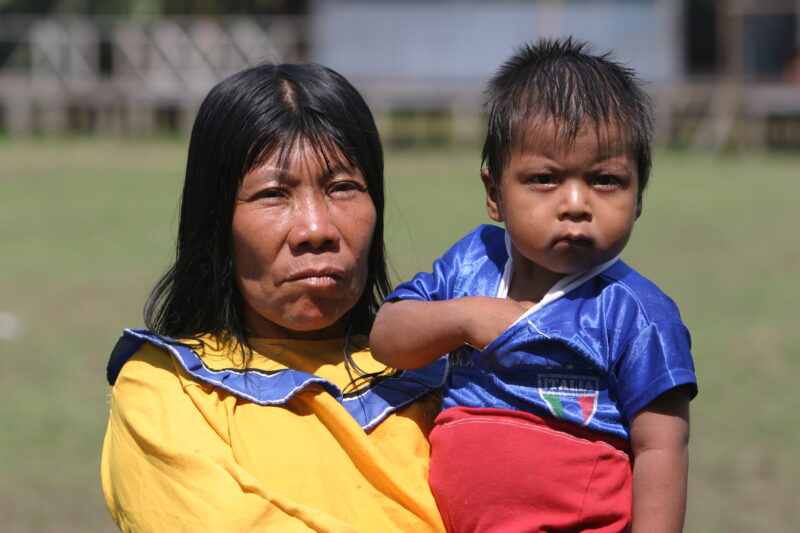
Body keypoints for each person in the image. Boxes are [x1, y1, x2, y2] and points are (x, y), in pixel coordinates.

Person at [101, 62, 447, 532]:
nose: (316, 229)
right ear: (216, 221)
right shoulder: (167, 388)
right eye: (272, 194)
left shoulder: (446, 374)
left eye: (343, 187)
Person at [370, 38, 698, 533]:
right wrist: (462, 316)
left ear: (640, 196)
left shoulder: (635, 313)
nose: (575, 203)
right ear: (494, 194)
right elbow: (388, 340)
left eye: (606, 180)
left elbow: (660, 448)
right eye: (544, 178)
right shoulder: (471, 265)